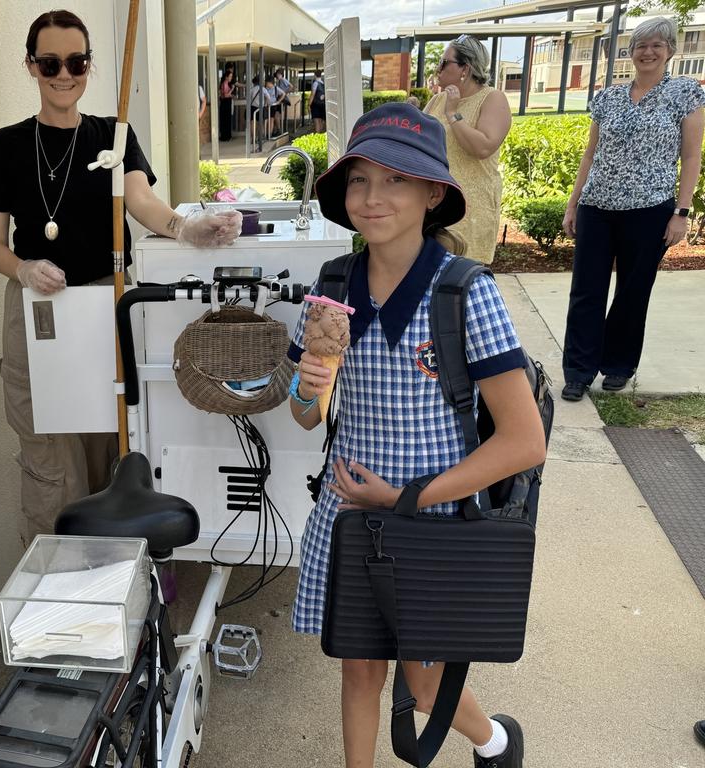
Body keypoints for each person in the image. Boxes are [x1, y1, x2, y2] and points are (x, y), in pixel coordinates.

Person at [287, 103, 546, 768]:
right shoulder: (333, 284)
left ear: (434, 193)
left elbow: (524, 441)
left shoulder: (463, 293)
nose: (373, 198)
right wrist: (310, 383)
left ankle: (495, 742)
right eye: (358, 180)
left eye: (395, 180)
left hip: (434, 517)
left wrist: (407, 494)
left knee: (426, 680)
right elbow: (303, 414)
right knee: (358, 666)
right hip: (348, 512)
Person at [0, 10, 241, 547]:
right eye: (50, 62)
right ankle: (59, 592)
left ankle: (116, 579)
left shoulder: (112, 135)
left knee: (110, 441)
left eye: (76, 61)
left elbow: (141, 201)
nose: (64, 73)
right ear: (31, 66)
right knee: (48, 450)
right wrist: (23, 269)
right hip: (36, 309)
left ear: (90, 66)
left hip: (104, 303)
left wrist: (187, 228)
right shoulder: (6, 145)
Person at [559, 16, 705, 401]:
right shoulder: (607, 98)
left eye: (657, 44)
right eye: (641, 45)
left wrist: (682, 212)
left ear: (671, 51)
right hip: (597, 207)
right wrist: (573, 204)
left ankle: (619, 365)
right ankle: (578, 370)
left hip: (650, 210)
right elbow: (590, 155)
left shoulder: (685, 93)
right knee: (586, 290)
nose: (648, 51)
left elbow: (691, 157)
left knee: (632, 291)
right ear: (631, 52)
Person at [424, 34, 511, 265]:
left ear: (466, 68)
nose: (438, 68)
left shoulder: (492, 99)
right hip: (433, 205)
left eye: (444, 63)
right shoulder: (436, 101)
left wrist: (453, 114)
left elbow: (482, 147)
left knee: (461, 281)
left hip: (470, 209)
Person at [219, 69, 235, 141]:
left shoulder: (226, 84)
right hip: (225, 103)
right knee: (226, 120)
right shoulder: (225, 84)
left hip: (226, 103)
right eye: (230, 76)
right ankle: (225, 136)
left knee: (227, 119)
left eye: (231, 77)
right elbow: (225, 95)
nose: (231, 78)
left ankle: (227, 135)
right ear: (226, 77)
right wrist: (232, 90)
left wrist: (231, 95)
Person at [309, 69, 326, 133]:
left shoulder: (315, 83)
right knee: (321, 120)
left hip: (316, 105)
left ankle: (317, 135)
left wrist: (309, 104)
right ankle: (321, 136)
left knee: (316, 120)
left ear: (315, 75)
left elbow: (313, 94)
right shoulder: (323, 83)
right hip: (322, 104)